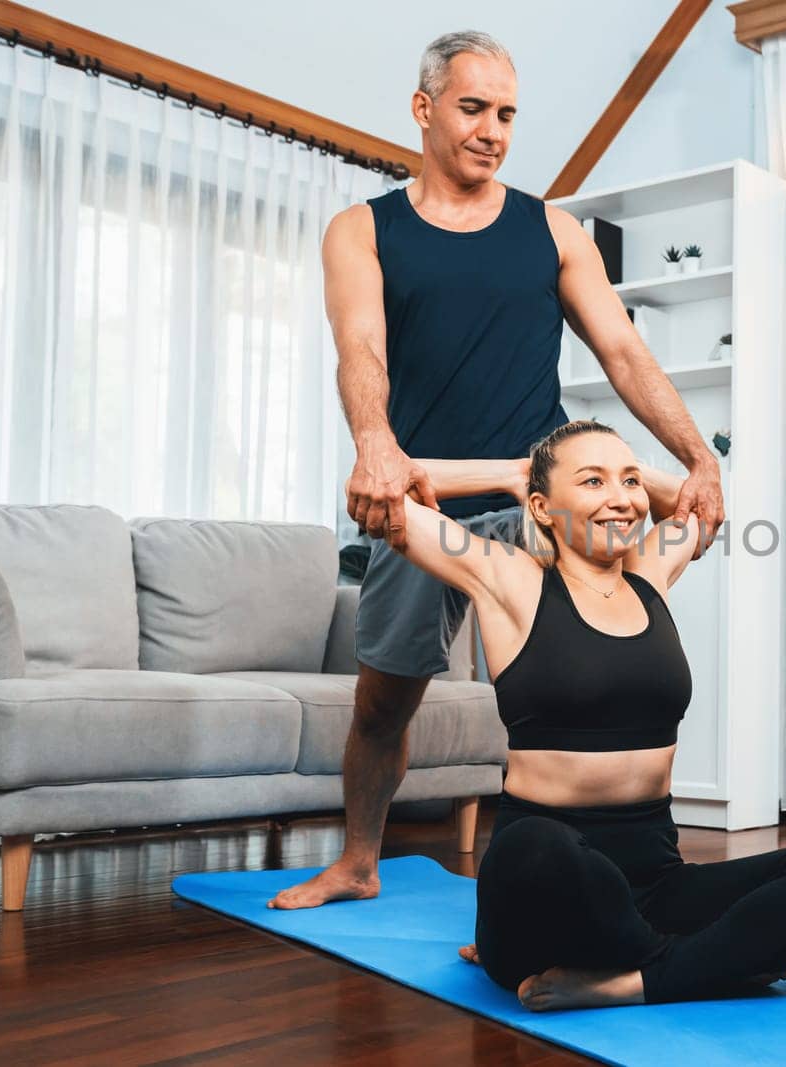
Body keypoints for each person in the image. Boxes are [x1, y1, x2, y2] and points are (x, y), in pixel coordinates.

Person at [271, 30, 724, 910]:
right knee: (382, 705)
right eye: (473, 108)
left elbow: (624, 350)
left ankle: (623, 868)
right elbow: (359, 347)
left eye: (507, 114)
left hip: (542, 500)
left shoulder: (549, 229)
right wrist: (374, 443)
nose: (492, 130)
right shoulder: (364, 227)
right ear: (425, 108)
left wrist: (697, 456)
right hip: (426, 495)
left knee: (598, 686)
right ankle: (360, 859)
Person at [389, 419, 786, 1010]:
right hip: (547, 878)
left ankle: (643, 977)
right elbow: (384, 496)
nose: (622, 497)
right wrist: (512, 473)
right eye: (592, 481)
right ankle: (715, 961)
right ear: (542, 507)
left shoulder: (649, 573)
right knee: (539, 846)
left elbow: (701, 505)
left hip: (657, 886)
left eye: (630, 480)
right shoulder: (510, 578)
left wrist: (628, 481)